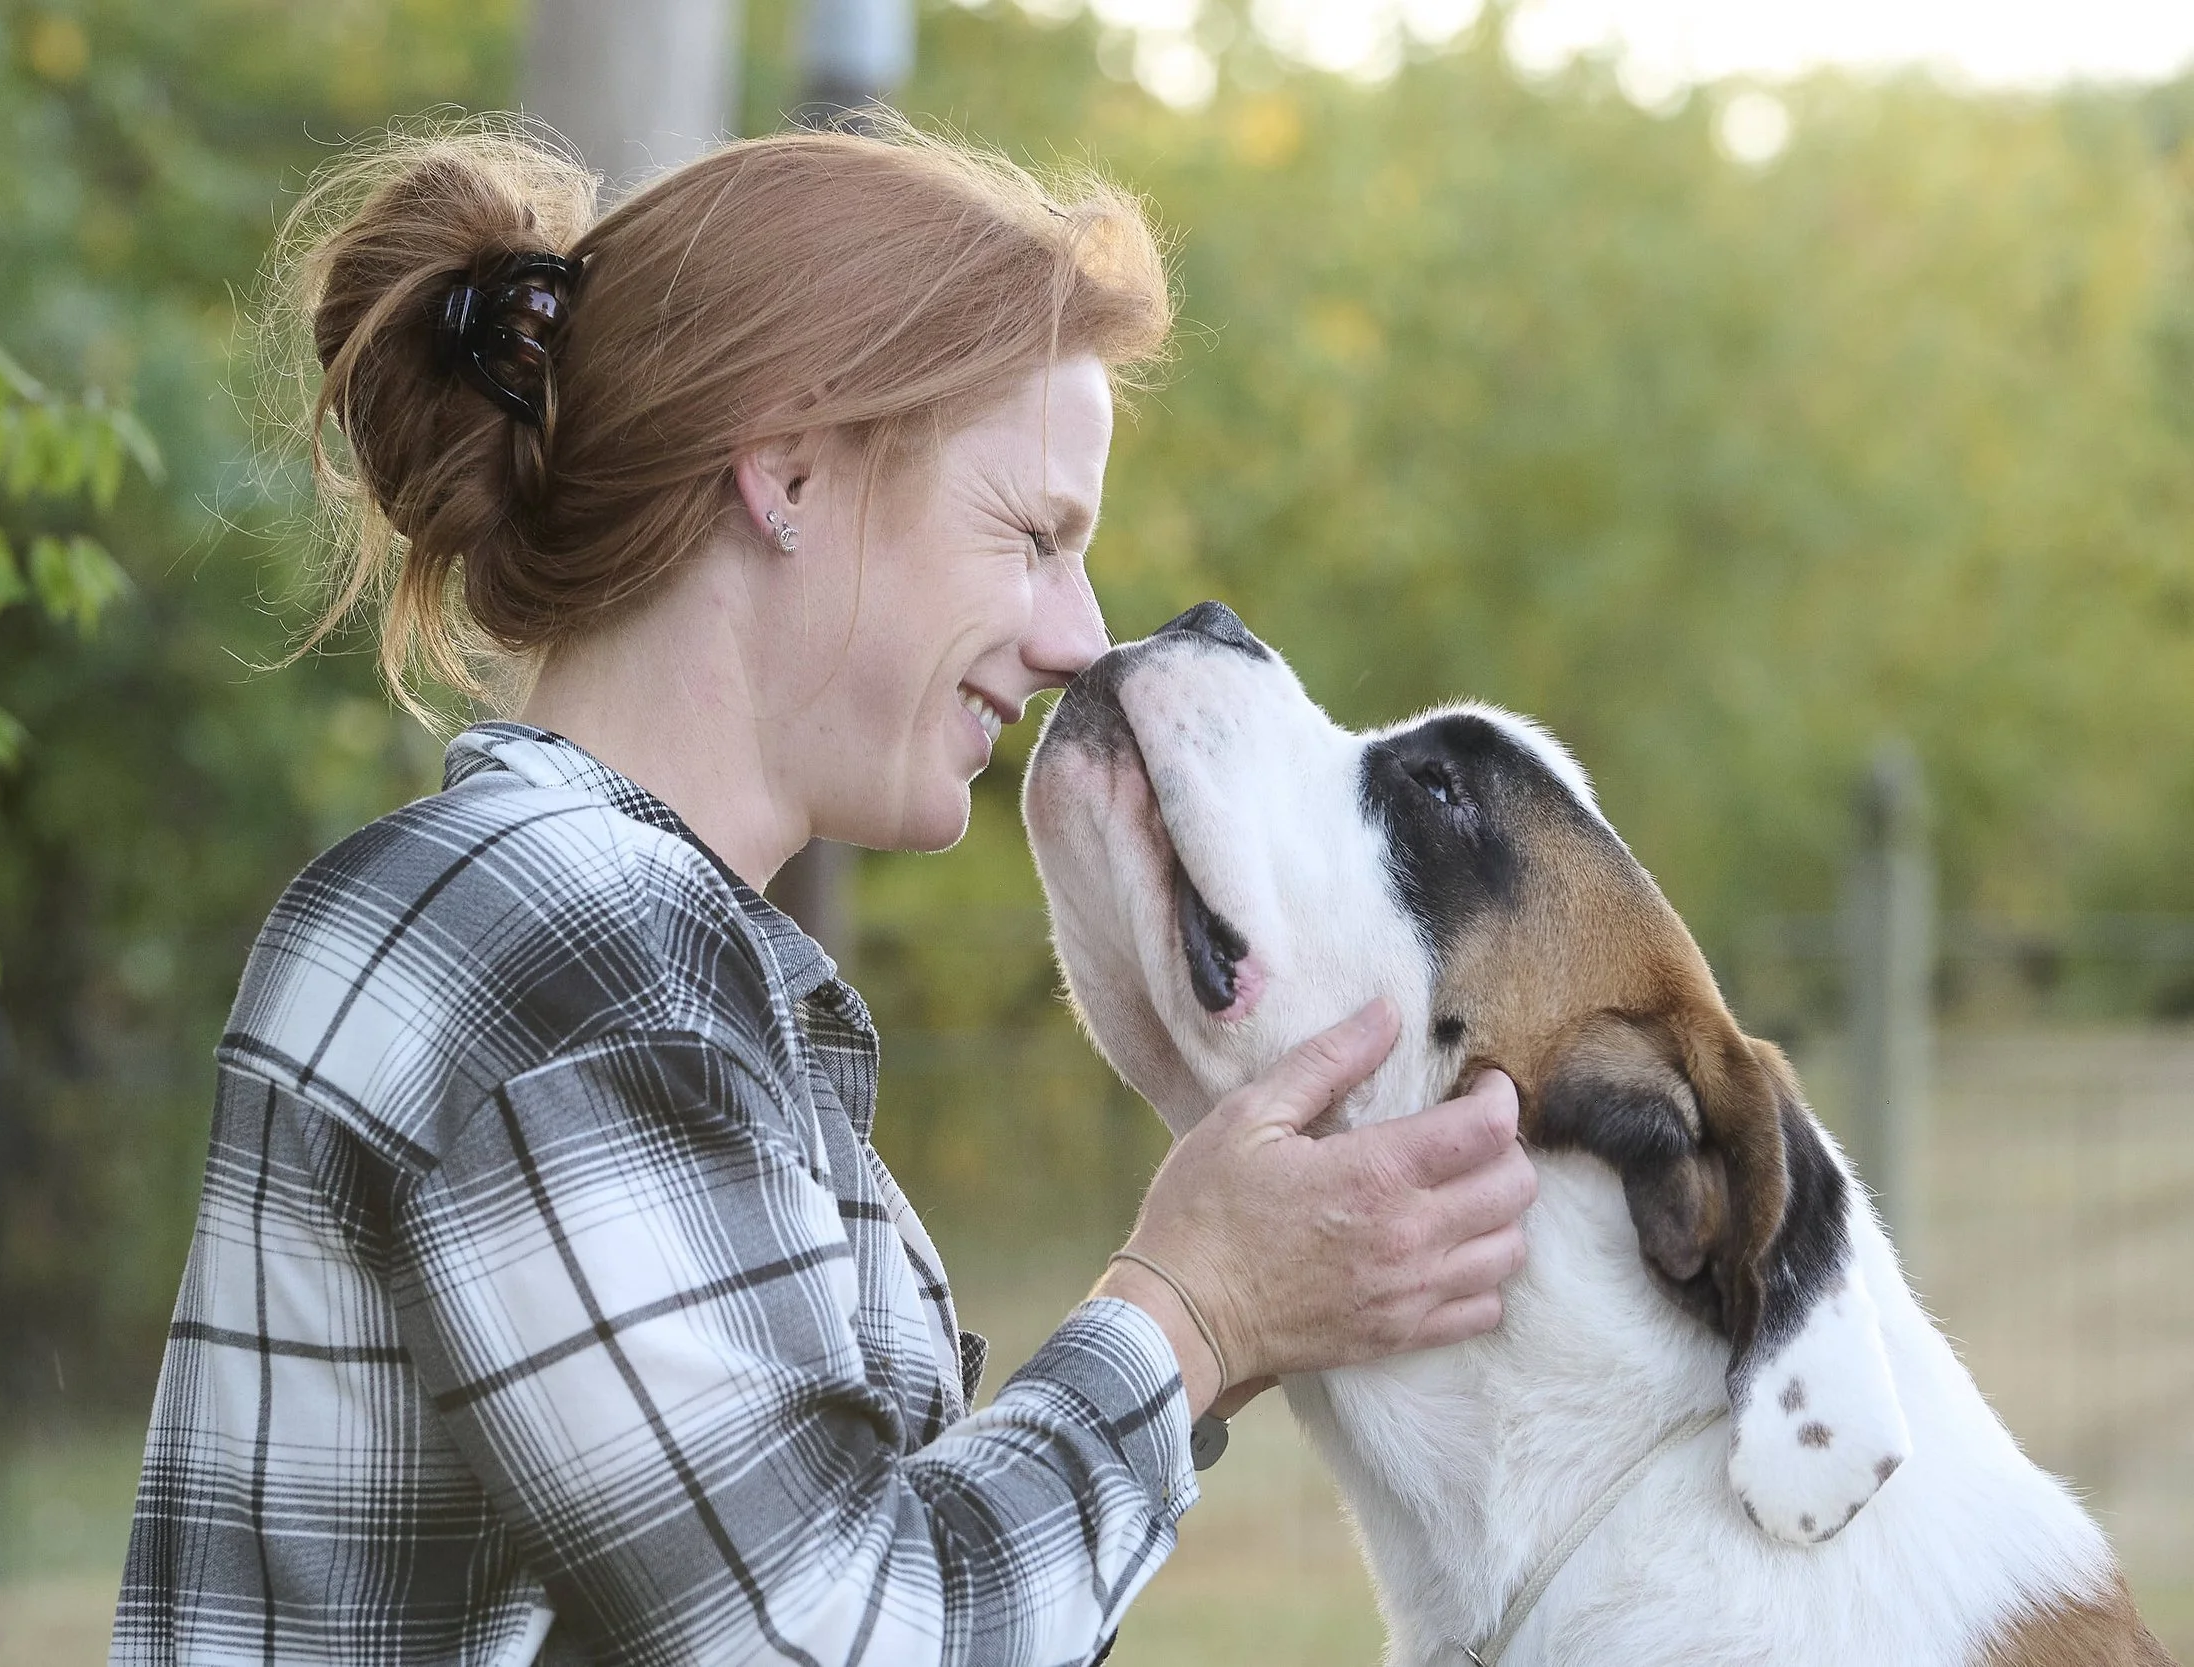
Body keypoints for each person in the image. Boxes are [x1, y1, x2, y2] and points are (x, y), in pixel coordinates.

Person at [113, 117, 1537, 1667]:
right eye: (1034, 534)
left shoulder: (617, 940)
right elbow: (834, 1640)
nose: (1080, 635)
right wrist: (1192, 1313)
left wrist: (1245, 1314)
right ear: (787, 467)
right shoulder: (565, 947)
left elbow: (806, 1566)